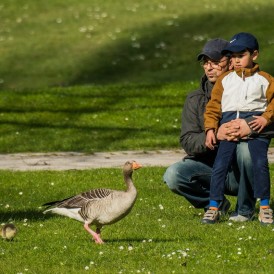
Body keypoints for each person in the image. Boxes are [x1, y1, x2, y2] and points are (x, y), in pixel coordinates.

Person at [163, 38, 257, 222]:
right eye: (205, 63)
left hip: (242, 171)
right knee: (173, 175)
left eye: (215, 62)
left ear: (230, 63)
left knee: (248, 151)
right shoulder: (195, 99)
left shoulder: (252, 88)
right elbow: (188, 140)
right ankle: (216, 205)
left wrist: (249, 128)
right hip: (211, 169)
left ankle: (245, 209)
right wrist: (213, 136)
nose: (209, 67)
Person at [202, 32, 274, 225]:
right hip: (228, 126)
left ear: (255, 55)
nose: (236, 60)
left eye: (241, 55)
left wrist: (265, 119)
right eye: (232, 56)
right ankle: (213, 206)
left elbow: (273, 103)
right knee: (220, 166)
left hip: (255, 127)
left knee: (259, 163)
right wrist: (211, 129)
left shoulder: (265, 79)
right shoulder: (224, 80)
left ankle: (265, 207)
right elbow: (213, 107)